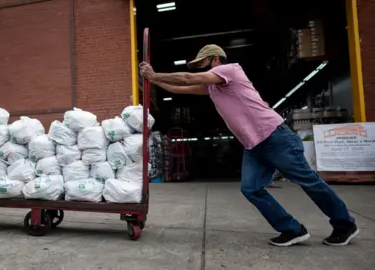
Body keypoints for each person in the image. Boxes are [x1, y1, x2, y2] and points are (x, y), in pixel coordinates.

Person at [139, 44, 359, 247]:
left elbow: (187, 78)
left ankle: (345, 224)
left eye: (201, 63)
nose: (198, 68)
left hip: (274, 136)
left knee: (308, 181)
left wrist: (154, 74)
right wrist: (152, 80)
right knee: (251, 188)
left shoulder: (230, 70)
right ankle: (291, 229)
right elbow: (182, 89)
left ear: (215, 59)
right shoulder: (212, 88)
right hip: (254, 145)